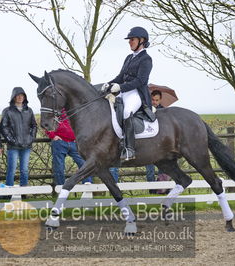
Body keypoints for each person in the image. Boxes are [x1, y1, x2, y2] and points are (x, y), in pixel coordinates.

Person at [102, 26, 153, 161]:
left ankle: (129, 149)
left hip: (136, 93)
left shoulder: (146, 59)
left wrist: (121, 87)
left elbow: (141, 81)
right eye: (129, 40)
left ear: (142, 40)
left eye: (132, 39)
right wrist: (109, 84)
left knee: (126, 112)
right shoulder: (129, 57)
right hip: (124, 90)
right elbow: (121, 76)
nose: (130, 42)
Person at [0, 87, 37, 189]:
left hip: (26, 146)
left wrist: (31, 138)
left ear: (25, 97)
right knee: (11, 169)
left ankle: (24, 191)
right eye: (18, 95)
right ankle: (8, 191)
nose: (20, 97)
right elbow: (3, 127)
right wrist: (11, 140)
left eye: (22, 95)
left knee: (24, 170)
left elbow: (34, 126)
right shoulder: (7, 111)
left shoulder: (29, 111)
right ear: (14, 97)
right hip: (13, 146)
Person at [45, 108, 93, 186]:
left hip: (74, 142)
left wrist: (78, 136)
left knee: (83, 162)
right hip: (59, 143)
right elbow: (46, 124)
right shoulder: (52, 111)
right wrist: (52, 136)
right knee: (59, 166)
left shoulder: (72, 109)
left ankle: (87, 183)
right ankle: (61, 187)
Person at [145, 89, 170, 194]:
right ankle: (152, 191)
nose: (154, 102)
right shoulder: (145, 109)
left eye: (157, 100)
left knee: (162, 169)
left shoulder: (163, 111)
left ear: (160, 100)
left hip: (160, 146)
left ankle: (162, 189)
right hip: (148, 146)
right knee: (150, 170)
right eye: (153, 100)